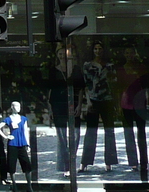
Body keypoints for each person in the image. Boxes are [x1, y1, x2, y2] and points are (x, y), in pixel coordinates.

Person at [80, 39, 118, 172]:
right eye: (95, 49)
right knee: (90, 132)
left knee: (109, 131)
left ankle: (110, 162)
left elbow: (113, 84)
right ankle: (85, 162)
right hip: (93, 100)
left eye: (100, 49)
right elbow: (86, 85)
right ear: (92, 50)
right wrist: (88, 101)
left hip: (107, 100)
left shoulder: (110, 65)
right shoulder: (87, 66)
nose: (98, 51)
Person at [48, 42, 82, 173]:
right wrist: (50, 108)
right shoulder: (53, 70)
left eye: (65, 54)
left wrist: (79, 105)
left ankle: (72, 161)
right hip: (58, 105)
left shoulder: (76, 69)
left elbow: (80, 89)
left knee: (76, 135)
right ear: (57, 55)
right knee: (62, 137)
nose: (62, 56)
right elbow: (49, 90)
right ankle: (66, 167)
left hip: (73, 104)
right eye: (60, 54)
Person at [117, 45, 149, 174]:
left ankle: (144, 162)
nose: (129, 55)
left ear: (135, 53)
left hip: (140, 102)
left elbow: (146, 85)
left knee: (141, 133)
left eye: (131, 52)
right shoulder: (121, 69)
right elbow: (119, 88)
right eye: (127, 52)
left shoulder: (141, 68)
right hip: (126, 103)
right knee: (128, 133)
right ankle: (133, 162)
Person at [2, 101, 36, 192]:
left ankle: (29, 186)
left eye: (19, 106)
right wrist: (6, 136)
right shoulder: (8, 119)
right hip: (12, 144)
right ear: (12, 107)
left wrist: (28, 145)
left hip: (22, 144)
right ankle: (14, 186)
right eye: (16, 106)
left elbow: (26, 131)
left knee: (27, 166)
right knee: (12, 166)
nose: (18, 108)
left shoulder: (23, 119)